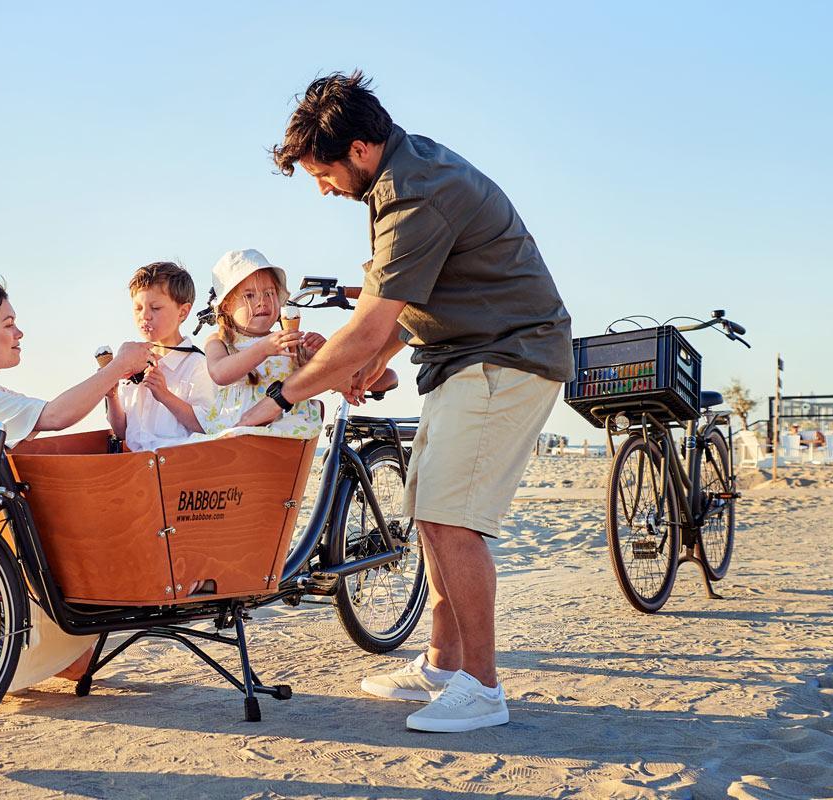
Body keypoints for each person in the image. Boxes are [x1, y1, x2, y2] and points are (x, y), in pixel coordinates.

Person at [240, 72, 572, 732]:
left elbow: (366, 323)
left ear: (359, 149)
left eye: (322, 172)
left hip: (507, 354)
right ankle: (446, 667)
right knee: (429, 509)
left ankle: (482, 688)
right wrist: (373, 362)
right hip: (464, 357)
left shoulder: (416, 191)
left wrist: (280, 397)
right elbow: (403, 304)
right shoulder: (399, 174)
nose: (322, 187)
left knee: (453, 518)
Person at [0, 279, 153, 691]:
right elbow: (54, 416)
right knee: (81, 657)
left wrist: (110, 393)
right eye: (9, 323)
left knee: (82, 654)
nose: (19, 334)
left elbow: (39, 433)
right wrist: (117, 368)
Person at [197, 249, 328, 439]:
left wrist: (317, 356)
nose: (262, 302)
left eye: (269, 293)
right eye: (249, 296)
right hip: (238, 427)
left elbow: (329, 381)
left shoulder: (286, 340)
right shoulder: (220, 340)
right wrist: (263, 349)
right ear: (227, 306)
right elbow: (219, 373)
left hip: (286, 428)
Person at [105, 262, 214, 452]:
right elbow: (122, 431)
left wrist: (164, 395)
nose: (145, 316)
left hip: (178, 468)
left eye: (155, 308)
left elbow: (208, 426)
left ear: (183, 312)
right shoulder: (131, 363)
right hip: (136, 466)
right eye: (138, 308)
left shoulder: (197, 365)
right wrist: (112, 395)